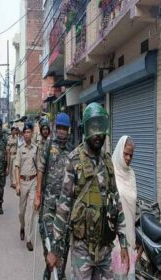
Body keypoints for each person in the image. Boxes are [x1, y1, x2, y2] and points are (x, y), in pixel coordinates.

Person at [47, 102, 129, 279]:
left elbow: (117, 202)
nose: (98, 134)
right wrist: (55, 248)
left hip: (106, 247)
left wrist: (123, 244)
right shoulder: (74, 161)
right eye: (93, 127)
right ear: (85, 129)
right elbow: (64, 206)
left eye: (100, 128)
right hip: (82, 248)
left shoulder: (108, 162)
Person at [35, 112, 73, 279]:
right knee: (50, 247)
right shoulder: (49, 145)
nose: (62, 131)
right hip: (48, 206)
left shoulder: (73, 151)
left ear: (69, 130)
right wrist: (37, 195)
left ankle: (57, 274)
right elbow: (41, 169)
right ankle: (51, 272)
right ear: (55, 128)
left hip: (65, 210)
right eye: (59, 128)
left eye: (64, 128)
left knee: (62, 249)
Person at [111, 136, 136, 279]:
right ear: (120, 151)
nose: (128, 158)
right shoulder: (111, 172)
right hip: (114, 239)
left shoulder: (131, 174)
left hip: (130, 236)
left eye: (131, 155)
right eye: (125, 154)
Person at [14, 123, 38, 251]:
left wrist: (39, 187)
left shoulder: (36, 148)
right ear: (23, 135)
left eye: (29, 132)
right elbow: (16, 167)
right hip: (23, 182)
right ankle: (22, 226)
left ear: (32, 134)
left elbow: (39, 168)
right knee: (21, 212)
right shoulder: (20, 149)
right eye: (25, 132)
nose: (27, 134)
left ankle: (29, 239)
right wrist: (17, 184)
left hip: (33, 181)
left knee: (30, 212)